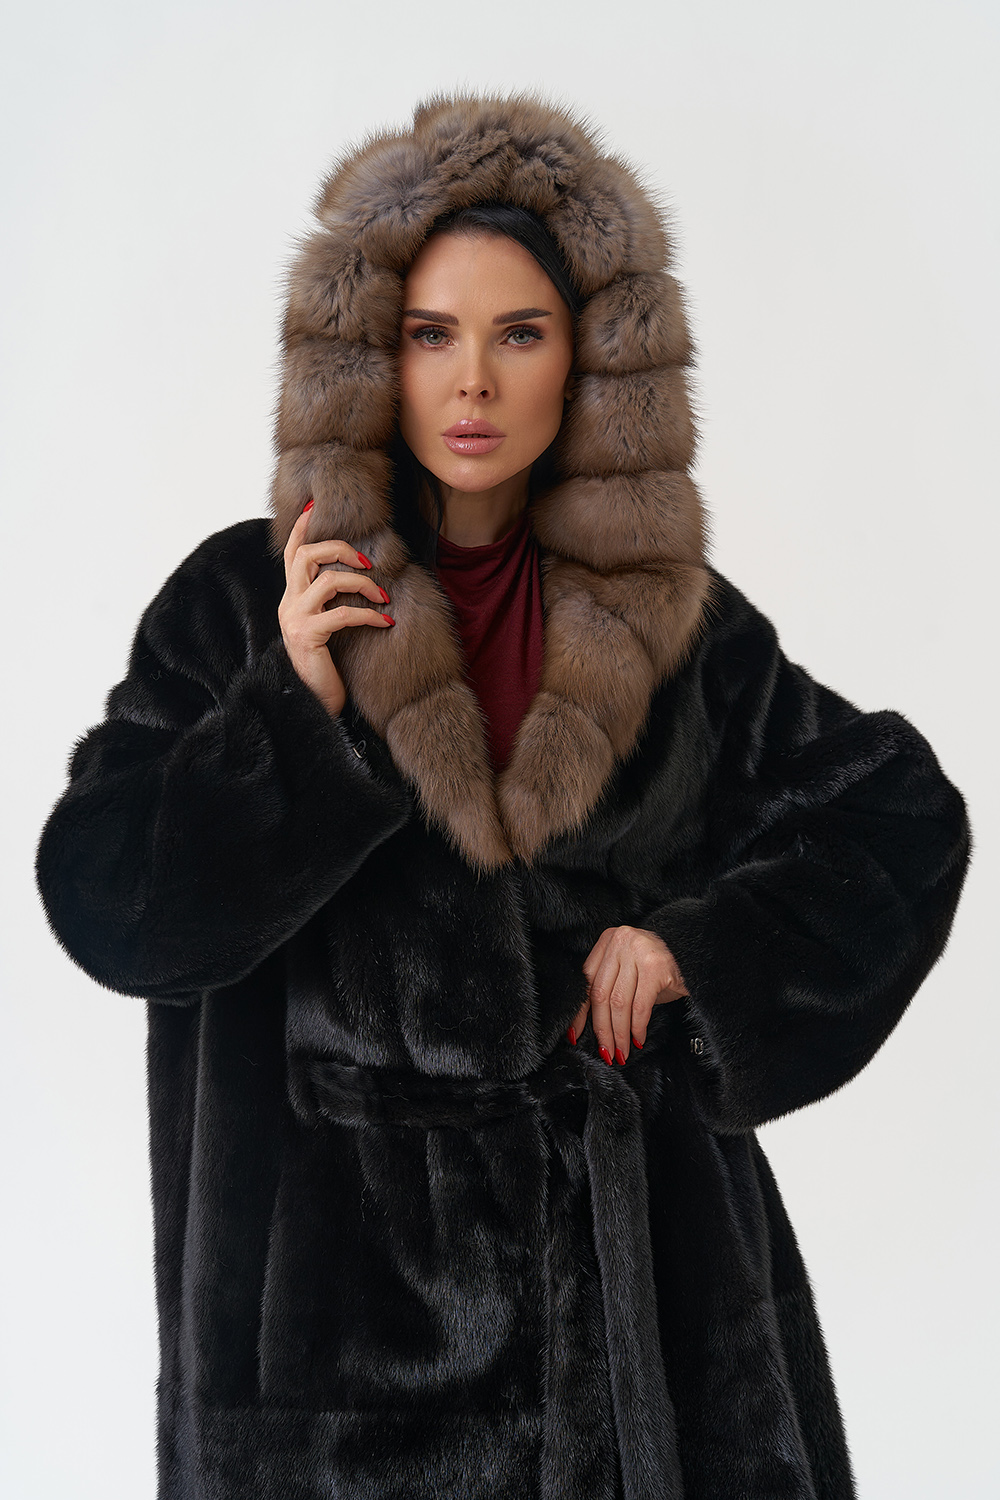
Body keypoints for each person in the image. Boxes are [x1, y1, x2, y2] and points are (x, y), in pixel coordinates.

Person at [35, 92, 970, 1500]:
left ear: (589, 361)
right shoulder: (248, 603)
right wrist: (293, 718)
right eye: (432, 334)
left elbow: (896, 818)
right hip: (339, 1387)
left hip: (646, 1345)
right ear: (371, 354)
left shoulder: (667, 623)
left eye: (519, 334)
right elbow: (111, 909)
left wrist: (702, 952)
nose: (472, 381)